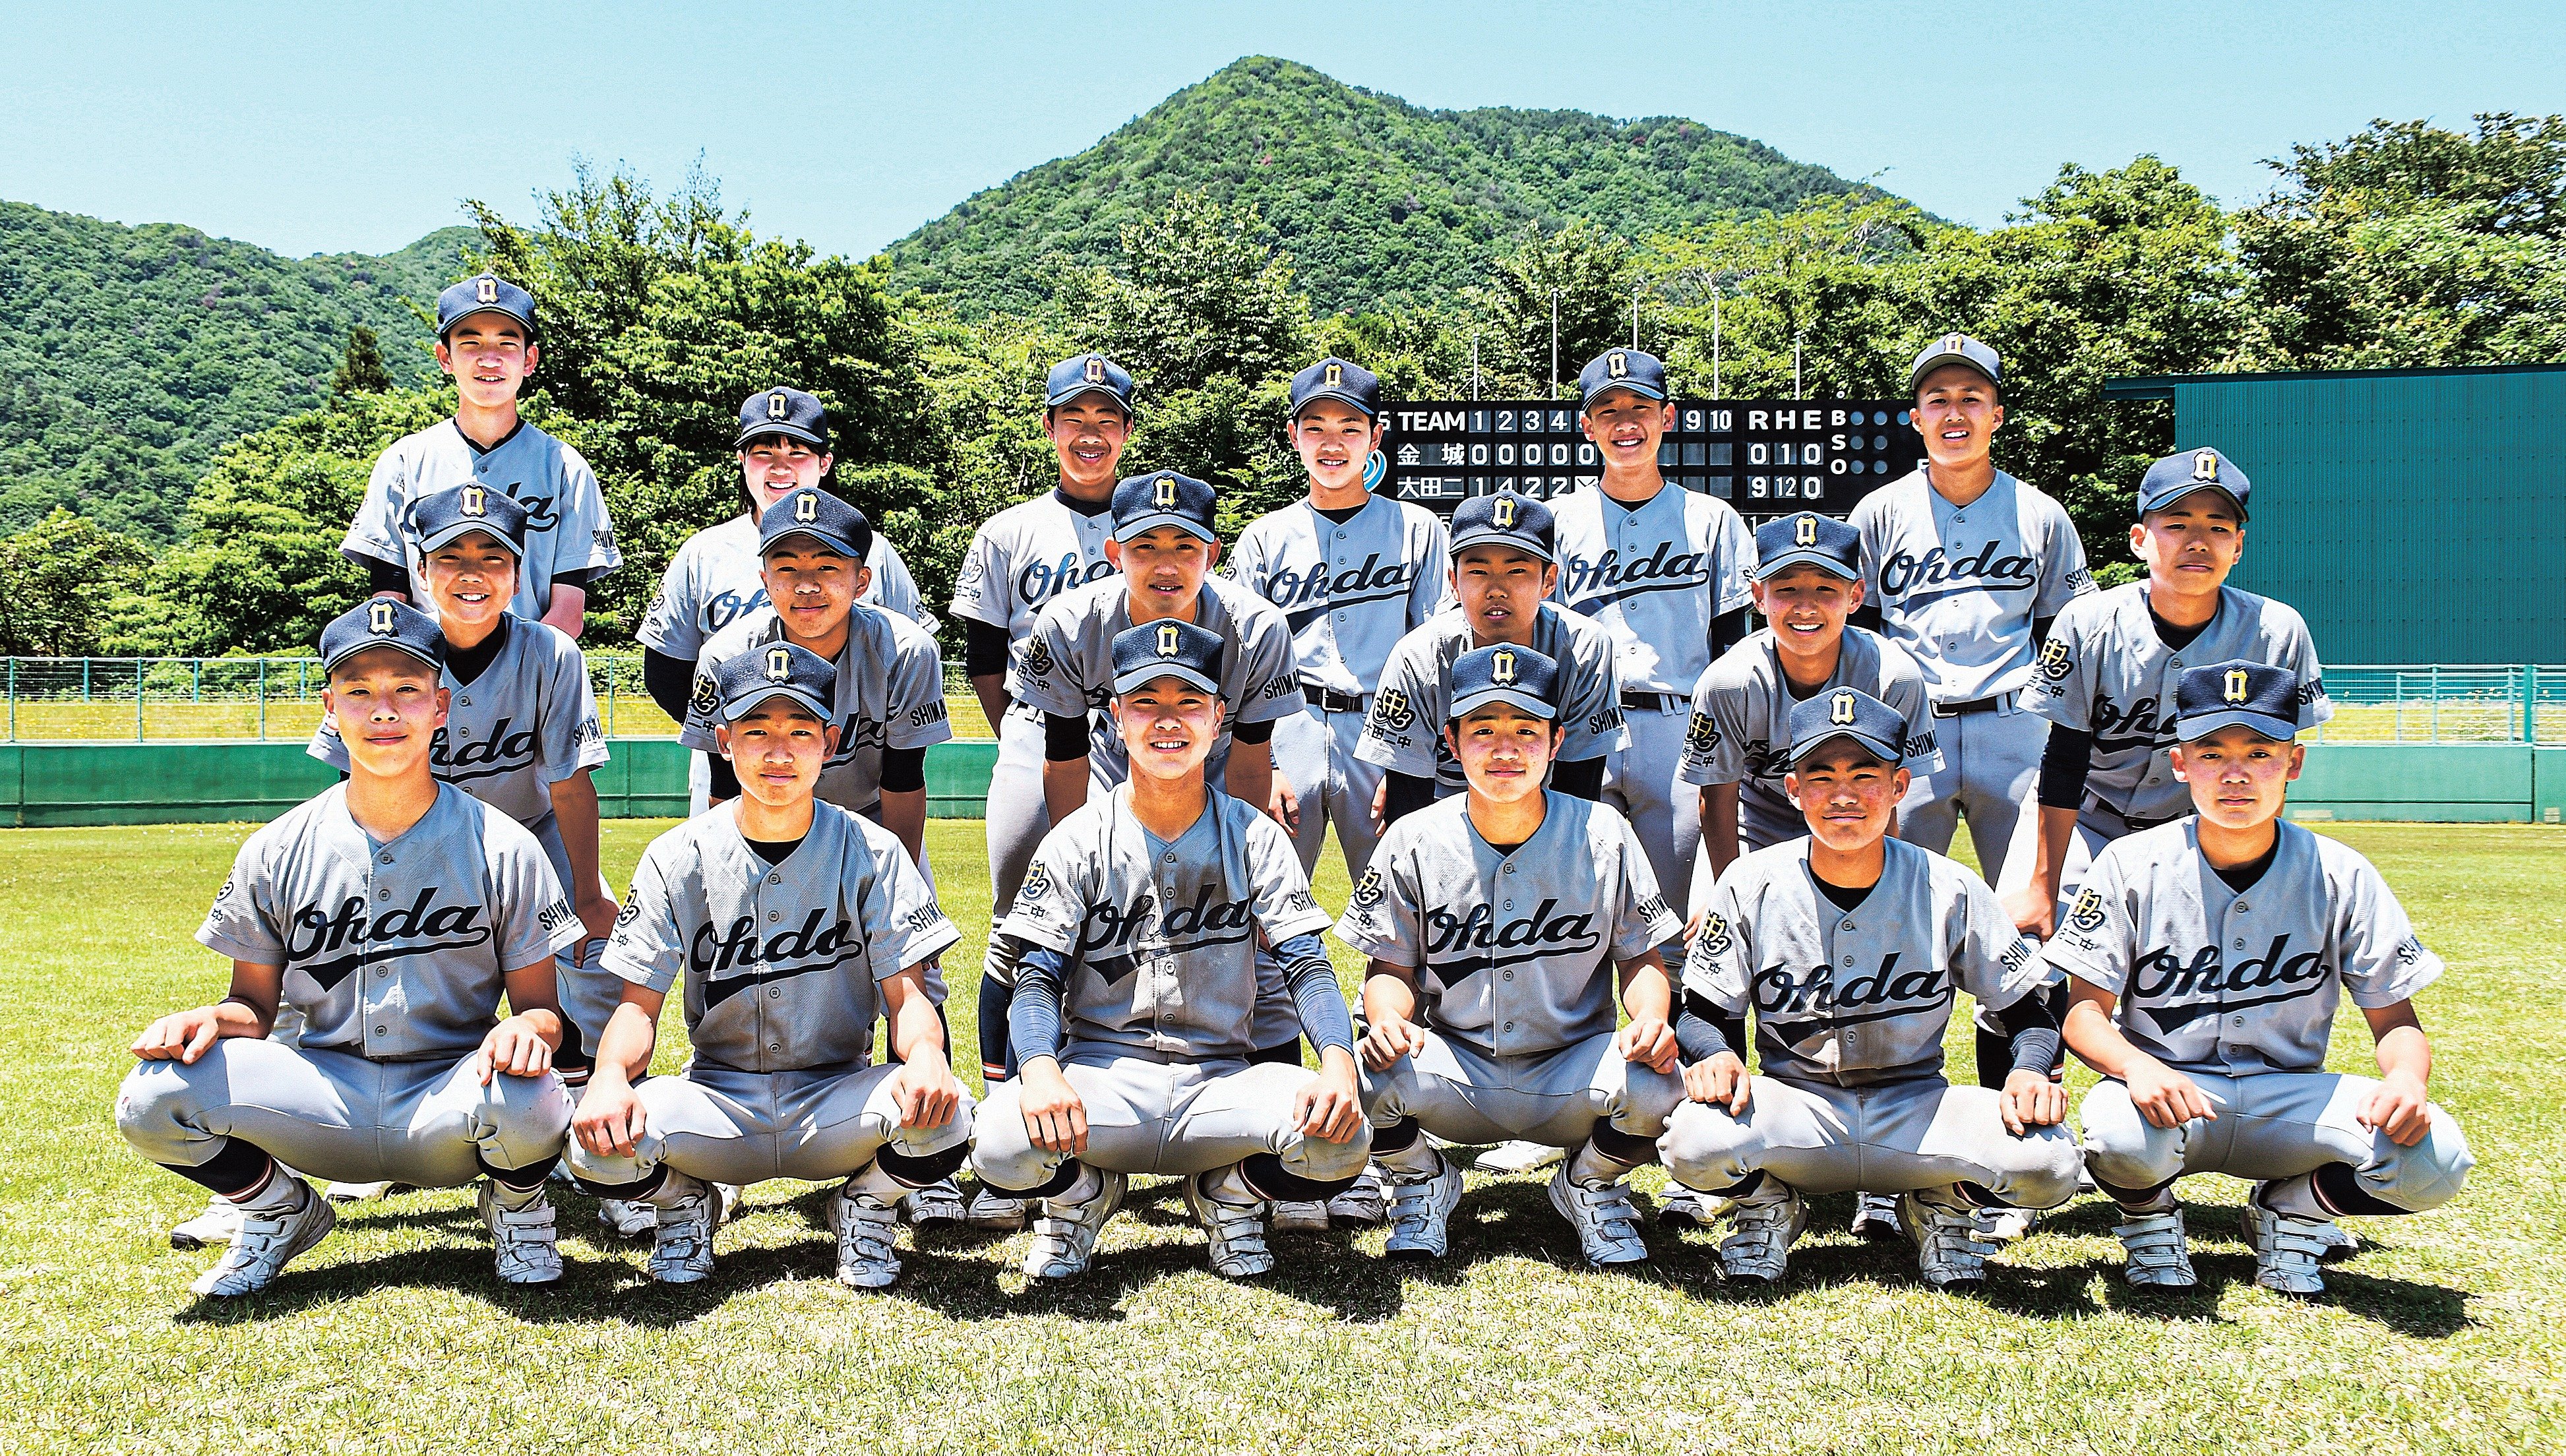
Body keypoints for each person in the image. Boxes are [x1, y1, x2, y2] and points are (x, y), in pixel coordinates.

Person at [115, 600, 585, 1296]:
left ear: (440, 706)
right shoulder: (278, 847)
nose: (384, 710)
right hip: (321, 1097)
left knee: (532, 1090)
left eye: (406, 691)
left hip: (448, 1100)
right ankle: (277, 1209)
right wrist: (211, 1020)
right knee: (152, 1098)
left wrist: (524, 1028)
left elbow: (545, 1014)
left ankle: (516, 1205)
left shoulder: (503, 844)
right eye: (360, 692)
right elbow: (252, 1003)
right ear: (330, 708)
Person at [1993, 447, 2336, 1244]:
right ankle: (2023, 1163)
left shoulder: (2275, 627)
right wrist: (2043, 876)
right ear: (2141, 538)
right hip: (2090, 815)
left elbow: (2283, 760)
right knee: (2024, 965)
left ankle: (2257, 1154)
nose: (2198, 540)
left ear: (2240, 544)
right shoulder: (2090, 619)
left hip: (2203, 829)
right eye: (2178, 522)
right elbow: (2065, 758)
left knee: (2227, 971)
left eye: (2219, 526)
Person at [2048, 661, 2472, 1294]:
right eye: (2211, 752)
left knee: (2436, 1160)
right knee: (2117, 1134)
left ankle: (2295, 1208)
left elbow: (2395, 1021)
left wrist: (2407, 1080)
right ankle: (2148, 1215)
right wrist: (2138, 1068)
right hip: (2171, 1093)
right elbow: (2083, 1014)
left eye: (2260, 752)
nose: (2236, 773)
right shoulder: (2130, 863)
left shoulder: (2339, 871)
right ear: (2181, 764)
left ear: (2293, 763)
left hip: (2287, 1099)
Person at [972, 620, 1370, 1281]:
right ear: (1117, 717)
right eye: (1146, 703)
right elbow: (1036, 979)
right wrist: (1040, 1070)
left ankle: (1228, 1195)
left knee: (1344, 1137)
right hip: (1103, 1076)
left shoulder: (1255, 835)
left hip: (1223, 1076)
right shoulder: (1077, 838)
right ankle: (1081, 1199)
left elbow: (1306, 967)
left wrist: (1337, 1063)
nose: (1168, 720)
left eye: (1188, 703)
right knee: (1000, 1141)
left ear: (1218, 719)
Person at [570, 645, 972, 1289]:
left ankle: (866, 1203)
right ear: (725, 741)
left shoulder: (872, 849)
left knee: (949, 1118)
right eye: (757, 731)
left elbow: (909, 998)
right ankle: (683, 1202)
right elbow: (635, 1007)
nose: (778, 752)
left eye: (799, 731)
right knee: (591, 1140)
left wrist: (927, 1058)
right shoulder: (679, 854)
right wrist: (611, 1075)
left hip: (836, 1097)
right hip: (718, 1099)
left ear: (829, 741)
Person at [1661, 688, 2081, 1289]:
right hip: (1795, 1107)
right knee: (1692, 1142)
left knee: (2049, 1162)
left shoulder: (1951, 886)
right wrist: (1717, 1053)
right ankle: (1768, 1205)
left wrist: (2029, 1071)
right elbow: (1700, 1011)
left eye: (1866, 774)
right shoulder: (1750, 881)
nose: (1844, 794)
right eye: (1821, 775)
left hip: (1917, 1108)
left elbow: (2028, 1015)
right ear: (1792, 789)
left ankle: (1942, 1203)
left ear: (1900, 786)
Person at [1335, 644, 1685, 1267]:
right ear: (1451, 740)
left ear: (1555, 742)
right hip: (1458, 1069)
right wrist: (1389, 1020)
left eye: (1526, 731)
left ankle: (1589, 1182)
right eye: (1483, 731)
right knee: (1362, 1072)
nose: (1504, 749)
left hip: (1572, 1069)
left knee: (1659, 1081)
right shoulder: (1413, 838)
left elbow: (1639, 959)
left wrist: (1651, 1018)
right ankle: (1422, 1179)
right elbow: (1389, 968)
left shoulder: (1603, 832)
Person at [1848, 331, 2094, 1196]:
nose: (1953, 413)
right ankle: (1877, 1123)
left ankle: (2014, 1127)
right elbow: (1853, 632)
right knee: (1879, 916)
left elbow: (2076, 640)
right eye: (1937, 400)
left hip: (2012, 731)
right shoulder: (1878, 513)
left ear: (1996, 413)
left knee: (2033, 928)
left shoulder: (2038, 514)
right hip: (1909, 733)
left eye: (1970, 398)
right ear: (1915, 417)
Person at [1674, 510, 1941, 1235]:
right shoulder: (1730, 679)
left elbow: (1905, 789)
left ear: (1857, 594)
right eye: (1784, 586)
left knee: (1883, 959)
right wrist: (1732, 899)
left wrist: (1885, 887)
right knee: (1711, 959)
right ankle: (1721, 1137)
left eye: (1824, 587)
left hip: (1864, 824)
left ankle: (1886, 1171)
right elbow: (1716, 797)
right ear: (1756, 595)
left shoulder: (1893, 672)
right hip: (1759, 829)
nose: (1804, 604)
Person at [1227, 355, 1448, 1229]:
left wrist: (1409, 762)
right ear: (1293, 438)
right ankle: (1285, 1111)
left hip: (1381, 729)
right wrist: (1262, 762)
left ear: (1374, 439)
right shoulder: (1261, 539)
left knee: (1408, 922)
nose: (1330, 442)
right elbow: (1241, 658)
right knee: (1271, 923)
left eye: (1347, 428)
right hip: (1283, 727)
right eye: (1314, 427)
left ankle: (1401, 1127)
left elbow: (1435, 650)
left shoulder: (1417, 531)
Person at [946, 353, 1132, 1231]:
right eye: (1073, 415)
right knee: (1023, 919)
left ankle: (1121, 1099)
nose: (1088, 429)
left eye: (1105, 415)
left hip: (1144, 733)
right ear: (1050, 427)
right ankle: (1003, 1124)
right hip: (1034, 725)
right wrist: (1023, 731)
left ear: (1126, 431)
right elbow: (985, 657)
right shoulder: (1009, 529)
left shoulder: (1156, 524)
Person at [638, 386, 932, 808]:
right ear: (742, 461)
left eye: (798, 452)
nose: (781, 467)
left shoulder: (874, 550)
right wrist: (751, 731)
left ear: (824, 462)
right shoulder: (704, 551)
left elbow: (908, 664)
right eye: (763, 453)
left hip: (862, 782)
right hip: (740, 779)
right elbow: (664, 670)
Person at [340, 273, 617, 639]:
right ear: (445, 357)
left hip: (531, 672)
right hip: (431, 674)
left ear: (529, 359)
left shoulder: (565, 467)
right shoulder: (404, 461)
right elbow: (390, 598)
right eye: (470, 343)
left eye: (506, 344)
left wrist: (510, 668)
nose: (490, 360)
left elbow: (568, 612)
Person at [1358, 493, 1626, 820]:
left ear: (1549, 580)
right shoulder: (1419, 656)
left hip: (1546, 807)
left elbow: (1579, 792)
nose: (1496, 589)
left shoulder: (1583, 648)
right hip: (1448, 808)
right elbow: (1408, 805)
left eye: (1516, 571)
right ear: (1454, 582)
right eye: (1478, 572)